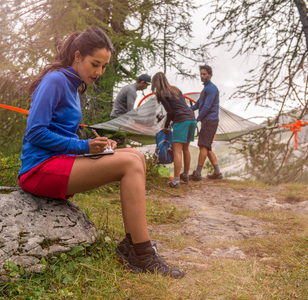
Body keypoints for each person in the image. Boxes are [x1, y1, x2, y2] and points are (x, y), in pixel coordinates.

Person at [18, 27, 184, 278]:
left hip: (59, 161)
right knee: (129, 164)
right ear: (77, 56)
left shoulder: (73, 86)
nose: (99, 72)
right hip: (39, 169)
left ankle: (132, 245)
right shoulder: (55, 80)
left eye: (104, 67)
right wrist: (84, 147)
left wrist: (96, 147)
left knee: (135, 156)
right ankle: (143, 255)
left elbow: (61, 133)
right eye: (95, 64)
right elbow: (35, 133)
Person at [151, 72, 196, 188]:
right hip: (191, 118)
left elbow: (170, 111)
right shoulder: (176, 89)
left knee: (177, 151)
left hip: (181, 120)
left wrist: (165, 126)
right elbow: (179, 107)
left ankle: (176, 181)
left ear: (155, 82)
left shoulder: (161, 93)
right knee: (186, 148)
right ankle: (185, 175)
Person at [190, 64, 222, 180]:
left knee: (203, 146)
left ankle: (197, 174)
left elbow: (207, 106)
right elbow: (198, 105)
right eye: (201, 74)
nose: (202, 76)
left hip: (210, 120)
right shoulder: (205, 89)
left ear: (210, 75)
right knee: (207, 148)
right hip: (208, 121)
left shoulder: (211, 88)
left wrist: (197, 119)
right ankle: (217, 173)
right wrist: (185, 110)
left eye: (204, 74)